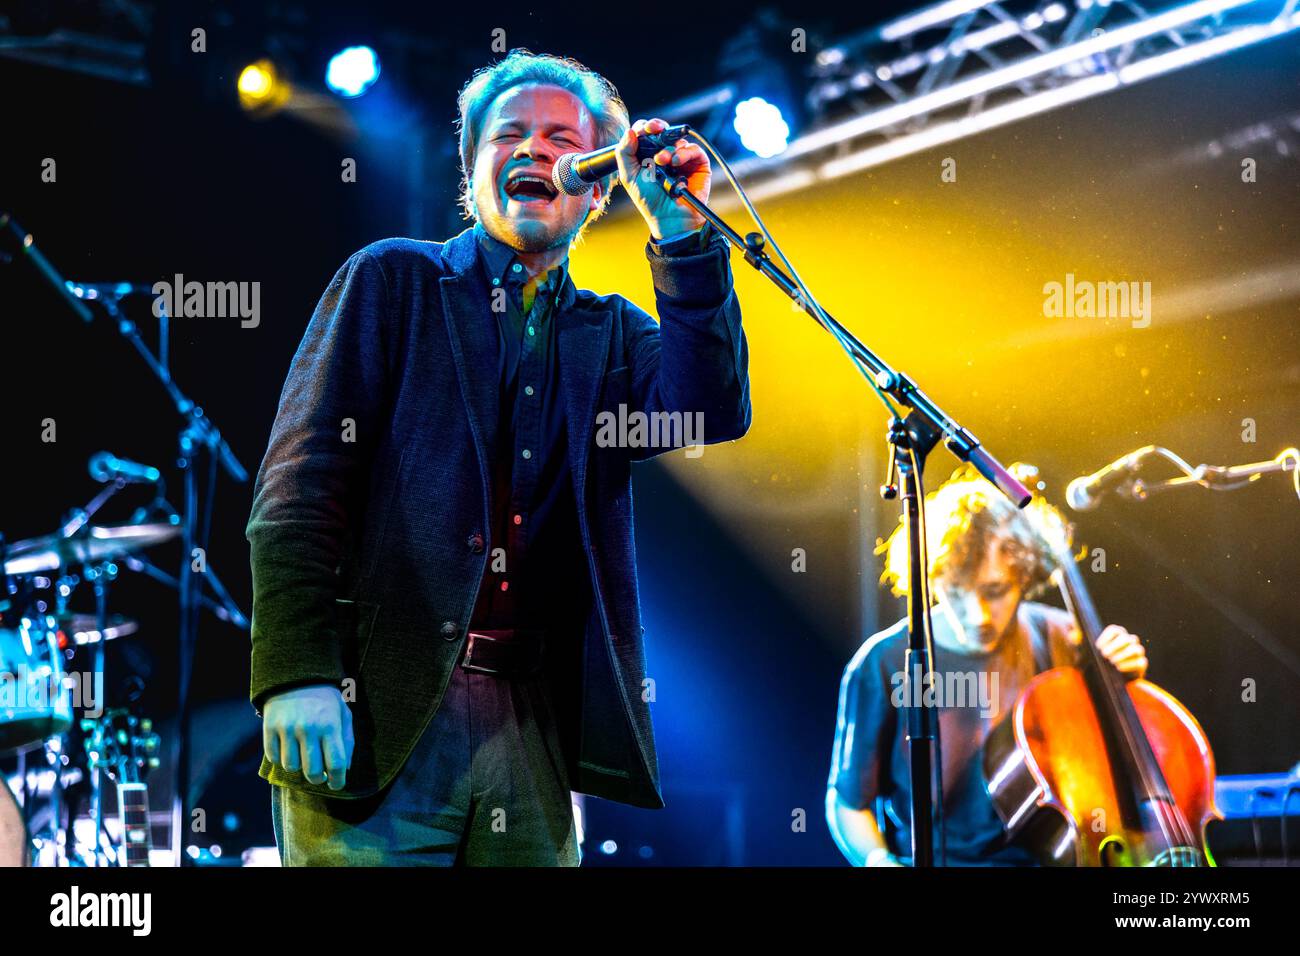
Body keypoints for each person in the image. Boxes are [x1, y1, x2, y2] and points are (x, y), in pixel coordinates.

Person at [246, 49, 751, 865]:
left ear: (596, 182)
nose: (531, 151)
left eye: (561, 139)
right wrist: (297, 671)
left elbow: (706, 412)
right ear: (472, 169)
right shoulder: (391, 282)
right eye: (507, 136)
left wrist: (683, 234)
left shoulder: (611, 334)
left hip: (532, 724)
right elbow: (299, 489)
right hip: (379, 710)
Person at [826, 464, 1148, 866]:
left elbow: (1110, 776)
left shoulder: (1065, 639)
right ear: (931, 580)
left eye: (995, 591)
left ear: (1025, 576)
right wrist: (878, 862)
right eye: (957, 593)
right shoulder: (883, 662)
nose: (978, 615)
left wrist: (1124, 682)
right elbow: (847, 803)